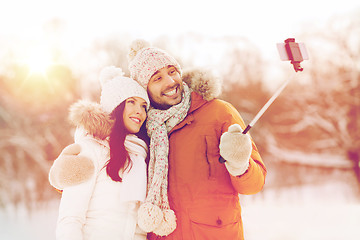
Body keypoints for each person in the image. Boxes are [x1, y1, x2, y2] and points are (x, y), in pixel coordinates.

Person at [50, 39, 267, 240]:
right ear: (145, 89)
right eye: (157, 78)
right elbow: (107, 171)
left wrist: (239, 164)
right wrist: (62, 177)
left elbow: (255, 184)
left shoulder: (219, 112)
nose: (171, 81)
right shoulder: (143, 132)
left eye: (172, 71)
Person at [49, 66, 150, 240]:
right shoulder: (90, 150)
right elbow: (71, 218)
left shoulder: (140, 157)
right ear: (115, 106)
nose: (139, 111)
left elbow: (139, 227)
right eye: (131, 102)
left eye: (143, 106)